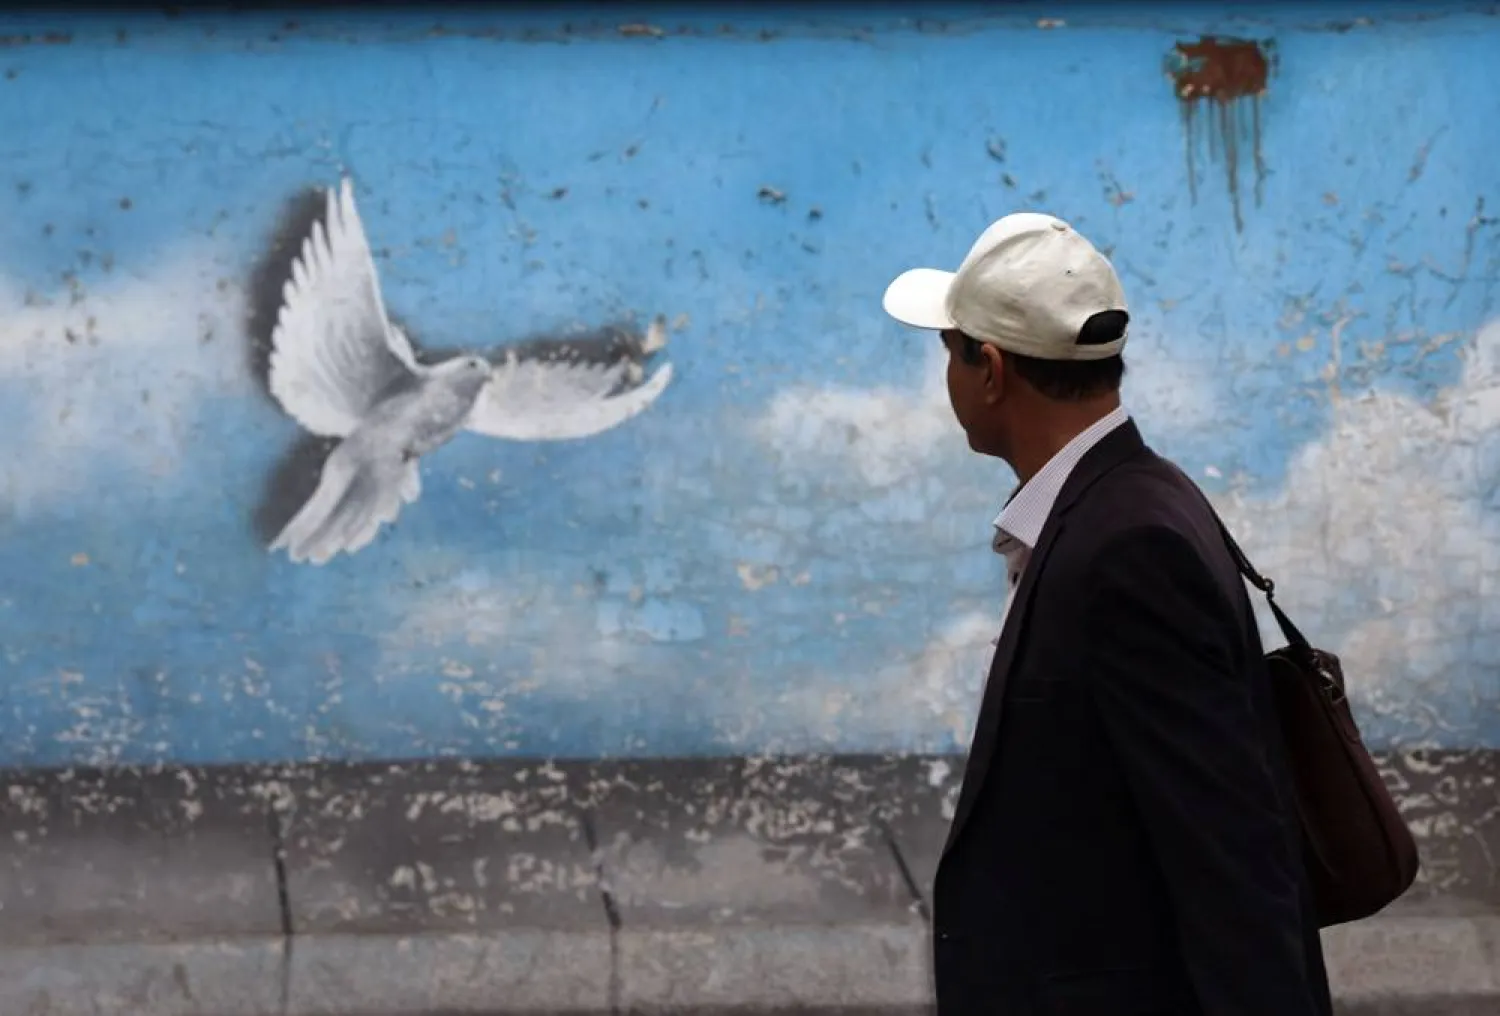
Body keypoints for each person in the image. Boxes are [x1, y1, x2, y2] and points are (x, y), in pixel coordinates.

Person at [881, 213, 1332, 1016]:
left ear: (988, 369)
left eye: (948, 350)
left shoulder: (1130, 547)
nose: (946, 375)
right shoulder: (1122, 504)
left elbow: (1231, 850)